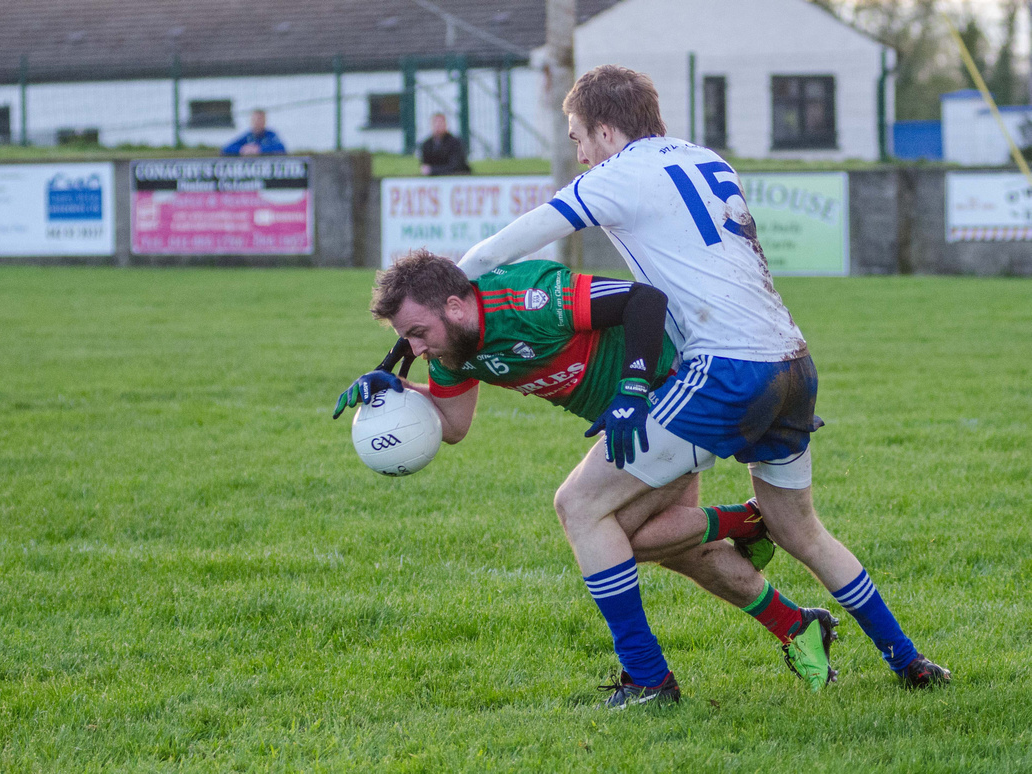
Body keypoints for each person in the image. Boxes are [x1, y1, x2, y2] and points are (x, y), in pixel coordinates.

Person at [440, 65, 950, 694]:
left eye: (578, 138)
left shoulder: (617, 173)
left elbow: (500, 249)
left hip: (722, 370)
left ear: (604, 130)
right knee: (801, 530)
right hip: (792, 362)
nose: (577, 153)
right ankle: (909, 661)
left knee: (581, 507)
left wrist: (438, 298)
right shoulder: (704, 158)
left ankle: (649, 681)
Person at [335, 250, 840, 706]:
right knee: (676, 547)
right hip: (630, 429)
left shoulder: (527, 298)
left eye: (418, 333)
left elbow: (644, 302)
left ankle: (651, 675)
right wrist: (397, 390)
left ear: (455, 306)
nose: (416, 348)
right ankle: (795, 621)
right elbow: (453, 426)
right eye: (406, 339)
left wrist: (633, 387)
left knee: (587, 513)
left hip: (670, 400)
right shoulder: (452, 349)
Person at [221, 109, 286, 156]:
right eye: (255, 120)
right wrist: (242, 149)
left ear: (265, 121)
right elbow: (226, 148)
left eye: (260, 120)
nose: (258, 123)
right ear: (251, 121)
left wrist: (259, 150)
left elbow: (281, 148)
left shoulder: (271, 135)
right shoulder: (248, 136)